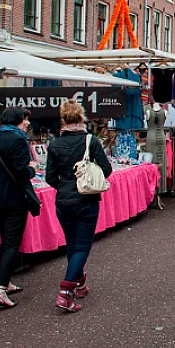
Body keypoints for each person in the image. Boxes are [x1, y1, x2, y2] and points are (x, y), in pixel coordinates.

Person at [45, 101, 113, 313]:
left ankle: (80, 284)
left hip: (63, 200)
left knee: (72, 244)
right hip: (86, 200)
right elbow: (107, 169)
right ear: (81, 119)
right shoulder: (90, 141)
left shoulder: (54, 144)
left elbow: (49, 177)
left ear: (63, 120)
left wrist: (65, 186)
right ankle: (66, 292)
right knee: (82, 246)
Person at [0, 106, 36, 308]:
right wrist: (31, 171)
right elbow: (21, 171)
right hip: (14, 198)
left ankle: (4, 281)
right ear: (16, 120)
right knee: (12, 243)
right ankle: (1, 289)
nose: (27, 123)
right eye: (25, 119)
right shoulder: (18, 140)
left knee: (6, 241)